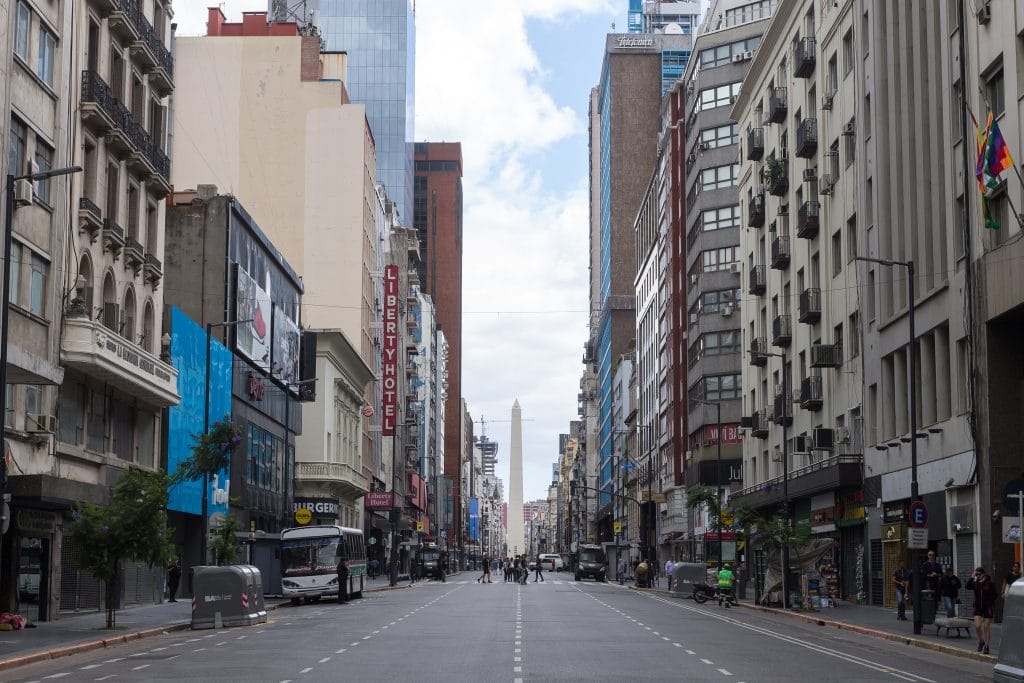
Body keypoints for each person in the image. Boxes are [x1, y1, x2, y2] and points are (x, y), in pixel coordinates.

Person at [966, 566, 997, 653]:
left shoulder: (989, 583)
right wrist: (972, 576)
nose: (978, 576)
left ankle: (987, 646)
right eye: (977, 574)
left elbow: (995, 594)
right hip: (978, 607)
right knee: (977, 625)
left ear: (984, 574)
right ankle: (981, 641)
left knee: (986, 626)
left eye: (979, 574)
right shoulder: (975, 583)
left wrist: (989, 601)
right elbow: (967, 586)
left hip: (988, 607)